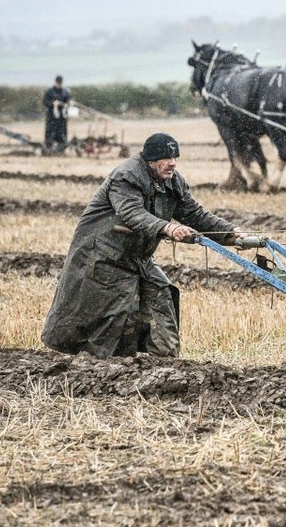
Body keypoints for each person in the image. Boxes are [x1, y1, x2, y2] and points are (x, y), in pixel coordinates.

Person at [42, 133, 245, 359]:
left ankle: (166, 364)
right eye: (167, 158)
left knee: (161, 296)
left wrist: (231, 234)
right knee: (116, 319)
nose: (173, 163)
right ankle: (110, 370)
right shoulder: (126, 177)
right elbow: (132, 213)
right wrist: (167, 228)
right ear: (151, 160)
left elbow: (195, 214)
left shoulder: (172, 181)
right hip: (103, 257)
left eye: (175, 157)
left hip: (137, 257)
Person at [43, 75, 71, 153]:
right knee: (50, 134)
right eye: (58, 83)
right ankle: (48, 150)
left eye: (60, 83)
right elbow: (45, 102)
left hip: (62, 118)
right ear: (55, 82)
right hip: (52, 117)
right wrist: (53, 103)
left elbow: (68, 101)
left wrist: (67, 104)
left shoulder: (66, 92)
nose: (59, 84)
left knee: (62, 134)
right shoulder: (49, 91)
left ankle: (60, 150)